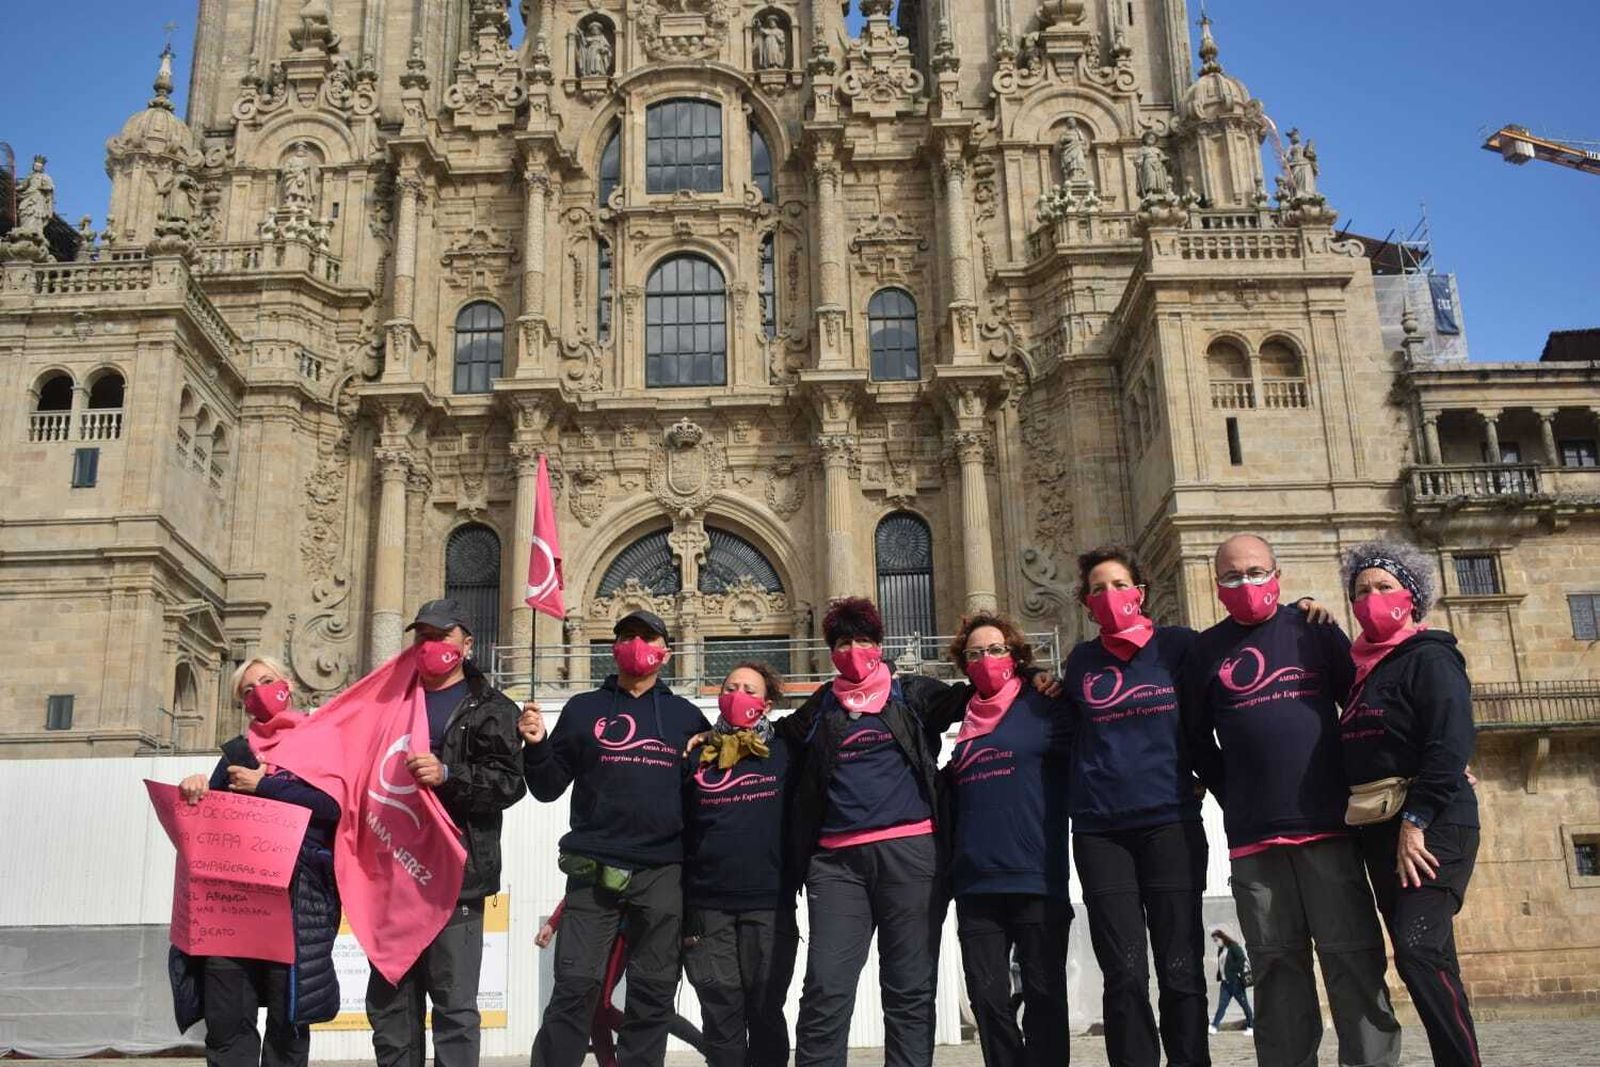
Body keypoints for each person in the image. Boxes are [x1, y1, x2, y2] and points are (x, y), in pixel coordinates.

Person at [1181, 534, 1401, 1067]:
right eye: (1232, 576)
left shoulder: (1314, 628)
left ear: (1277, 574)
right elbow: (1194, 739)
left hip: (1328, 827)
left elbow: (1358, 706)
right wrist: (1234, 793)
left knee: (1352, 960)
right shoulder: (1204, 650)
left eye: (1256, 571)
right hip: (1254, 840)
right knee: (1276, 969)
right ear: (1217, 586)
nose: (1246, 583)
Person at [522, 608, 712, 1067]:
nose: (636, 644)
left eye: (647, 637)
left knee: (653, 990)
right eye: (627, 635)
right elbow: (547, 788)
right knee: (575, 985)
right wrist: (536, 745)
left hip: (663, 870)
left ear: (665, 652)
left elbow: (699, 805)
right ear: (614, 648)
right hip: (593, 869)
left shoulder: (686, 717)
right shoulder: (583, 709)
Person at [787, 596, 959, 1067]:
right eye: (843, 642)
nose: (853, 649)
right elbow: (774, 744)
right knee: (826, 986)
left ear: (879, 646)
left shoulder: (912, 694)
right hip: (836, 865)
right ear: (831, 652)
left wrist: (1035, 680)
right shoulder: (822, 705)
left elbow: (975, 698)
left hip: (911, 857)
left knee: (909, 988)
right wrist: (713, 736)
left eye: (863, 639)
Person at [1058, 546, 1208, 1067]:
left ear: (1140, 592)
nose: (1110, 596)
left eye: (1119, 584)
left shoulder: (1180, 647)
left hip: (1170, 821)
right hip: (1101, 831)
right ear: (1085, 602)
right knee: (1123, 972)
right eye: (1097, 589)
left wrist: (1300, 613)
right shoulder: (1079, 660)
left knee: (1182, 965)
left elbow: (1237, 661)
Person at [367, 599, 528, 1067]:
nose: (430, 645)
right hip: (392, 878)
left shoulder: (492, 708)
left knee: (454, 1008)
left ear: (467, 644)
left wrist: (448, 774)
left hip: (456, 879)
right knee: (390, 1005)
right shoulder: (388, 700)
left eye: (441, 635)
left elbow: (509, 784)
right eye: (422, 637)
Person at [1340, 542, 1481, 1067]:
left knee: (1419, 946)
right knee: (1427, 952)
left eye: (1384, 587)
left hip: (1431, 824)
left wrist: (1417, 820)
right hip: (1380, 826)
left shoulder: (1431, 656)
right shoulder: (1361, 670)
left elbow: (1450, 740)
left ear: (1412, 597)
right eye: (1361, 591)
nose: (1372, 598)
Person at [170, 657, 342, 1067]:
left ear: (287, 684)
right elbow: (208, 816)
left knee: (288, 1027)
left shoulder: (321, 741)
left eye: (266, 681)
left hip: (296, 903)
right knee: (227, 1022)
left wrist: (265, 785)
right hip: (234, 906)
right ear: (242, 704)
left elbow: (334, 807)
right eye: (248, 689)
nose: (259, 692)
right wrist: (195, 789)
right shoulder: (235, 753)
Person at [943, 613, 1072, 1067]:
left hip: (1035, 875)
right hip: (975, 883)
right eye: (974, 653)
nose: (985, 660)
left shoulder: (1044, 705)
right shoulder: (964, 719)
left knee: (1043, 995)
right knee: (987, 998)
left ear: (1015, 655)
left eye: (995, 649)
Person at [682, 661, 801, 1067]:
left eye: (749, 689)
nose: (737, 695)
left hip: (769, 903)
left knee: (766, 1011)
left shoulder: (785, 751)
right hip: (707, 907)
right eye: (730, 686)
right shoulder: (697, 752)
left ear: (766, 704)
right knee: (721, 1013)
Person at [534, 899, 706, 1066]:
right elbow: (580, 890)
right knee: (598, 1010)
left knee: (608, 1008)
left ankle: (702, 1046)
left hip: (621, 936)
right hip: (599, 934)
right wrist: (552, 923)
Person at [1208, 929, 1253, 1034]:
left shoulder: (1233, 947)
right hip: (1225, 983)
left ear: (1222, 938)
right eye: (1214, 940)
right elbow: (1222, 965)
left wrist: (1232, 970)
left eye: (1216, 940)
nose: (1216, 942)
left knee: (1244, 1005)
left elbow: (1242, 960)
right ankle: (1214, 1026)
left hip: (1235, 982)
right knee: (1222, 1006)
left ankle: (1251, 1026)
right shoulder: (1221, 950)